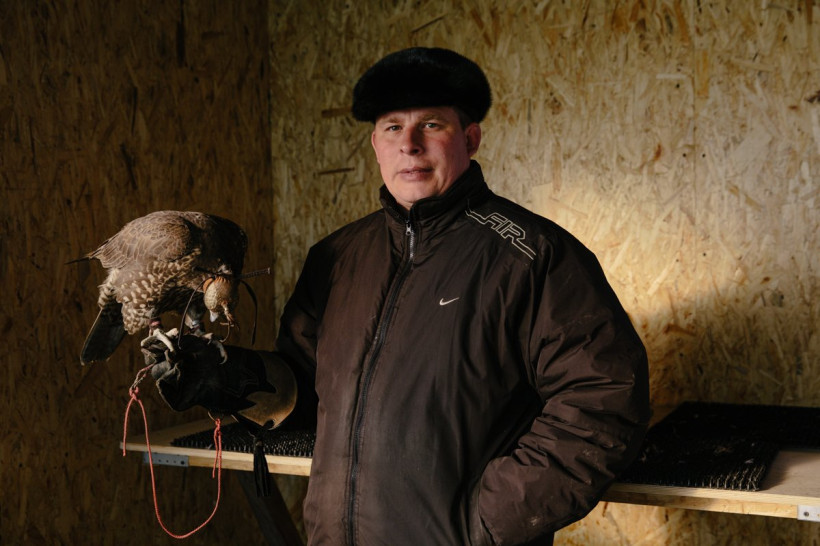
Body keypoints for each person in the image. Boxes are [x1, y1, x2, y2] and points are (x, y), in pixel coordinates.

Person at [143, 47, 650, 546]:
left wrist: (484, 522)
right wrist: (229, 377)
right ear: (375, 144)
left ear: (470, 138)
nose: (409, 144)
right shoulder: (336, 257)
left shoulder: (533, 257)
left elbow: (603, 401)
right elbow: (304, 391)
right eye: (392, 127)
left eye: (431, 124)